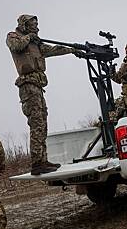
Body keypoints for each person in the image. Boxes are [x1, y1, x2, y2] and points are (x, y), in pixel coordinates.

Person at [6, 14, 78, 175]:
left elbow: (52, 50)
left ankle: (42, 160)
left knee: (42, 123)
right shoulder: (14, 36)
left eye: (37, 25)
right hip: (28, 87)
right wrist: (29, 37)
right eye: (33, 25)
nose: (37, 28)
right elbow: (16, 47)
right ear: (24, 26)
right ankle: (37, 164)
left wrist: (73, 50)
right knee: (36, 123)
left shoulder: (35, 43)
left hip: (37, 86)